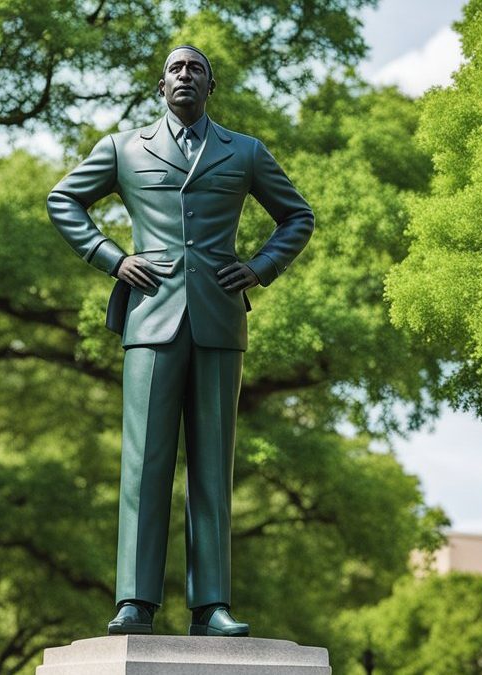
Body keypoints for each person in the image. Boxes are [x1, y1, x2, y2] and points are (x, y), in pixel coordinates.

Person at [46, 45, 313, 637]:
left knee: (213, 466)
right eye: (175, 68)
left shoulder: (244, 151)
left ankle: (211, 605)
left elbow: (298, 216)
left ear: (210, 85)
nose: (185, 75)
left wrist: (261, 267)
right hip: (150, 320)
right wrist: (111, 258)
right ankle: (134, 603)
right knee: (144, 463)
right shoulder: (122, 148)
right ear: (160, 85)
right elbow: (62, 199)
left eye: (195, 68)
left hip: (219, 318)